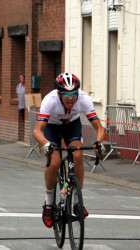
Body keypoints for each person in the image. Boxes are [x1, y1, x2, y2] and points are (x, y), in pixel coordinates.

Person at [33, 72, 105, 228]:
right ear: (59, 94)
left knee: (78, 155)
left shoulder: (84, 99)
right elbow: (37, 131)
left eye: (74, 94)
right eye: (66, 94)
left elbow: (99, 127)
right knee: (54, 163)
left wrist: (98, 142)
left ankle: (78, 203)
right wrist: (46, 144)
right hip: (51, 128)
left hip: (72, 126)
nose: (71, 98)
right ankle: (49, 204)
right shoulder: (50, 100)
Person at [16, 74, 26, 140]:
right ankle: (23, 134)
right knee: (23, 119)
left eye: (22, 77)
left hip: (26, 105)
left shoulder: (26, 86)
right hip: (21, 105)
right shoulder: (19, 86)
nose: (20, 79)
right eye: (20, 77)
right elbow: (17, 94)